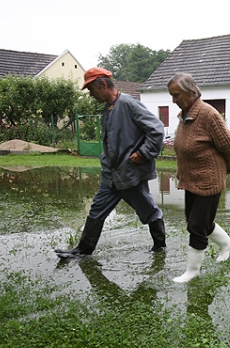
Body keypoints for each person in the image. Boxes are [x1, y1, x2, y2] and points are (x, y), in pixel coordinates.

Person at [55, 67, 166, 258]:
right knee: (97, 209)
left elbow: (156, 129)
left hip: (130, 173)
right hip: (112, 174)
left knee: (148, 210)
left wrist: (143, 153)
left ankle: (160, 246)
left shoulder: (128, 104)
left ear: (103, 84)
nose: (91, 95)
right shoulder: (108, 108)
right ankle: (82, 250)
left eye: (91, 90)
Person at [167, 72, 230, 283]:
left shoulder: (208, 114)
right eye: (171, 95)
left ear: (192, 92)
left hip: (208, 181)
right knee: (198, 221)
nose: (173, 100)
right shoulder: (185, 115)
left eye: (176, 95)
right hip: (191, 180)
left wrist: (223, 172)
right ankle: (227, 244)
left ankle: (192, 272)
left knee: (196, 226)